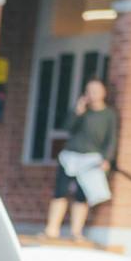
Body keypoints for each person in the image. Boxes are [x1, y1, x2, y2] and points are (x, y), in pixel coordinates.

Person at [44, 78, 119, 241]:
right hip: (71, 156)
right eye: (89, 91)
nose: (92, 94)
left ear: (103, 92)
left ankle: (76, 231)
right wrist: (77, 112)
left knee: (82, 195)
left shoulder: (109, 115)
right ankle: (52, 229)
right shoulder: (81, 112)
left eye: (95, 91)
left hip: (91, 159)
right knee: (60, 191)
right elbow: (67, 128)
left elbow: (111, 139)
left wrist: (107, 159)